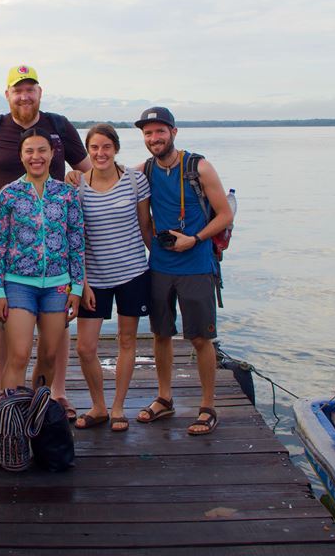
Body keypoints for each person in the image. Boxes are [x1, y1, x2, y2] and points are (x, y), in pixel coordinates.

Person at [0, 65, 90, 421]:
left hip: (55, 276)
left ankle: (47, 402)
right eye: (17, 90)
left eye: (30, 89)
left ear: (40, 92)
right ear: (7, 94)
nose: (24, 96)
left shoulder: (59, 127)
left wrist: (76, 282)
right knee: (13, 340)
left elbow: (87, 170)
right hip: (12, 262)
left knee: (52, 347)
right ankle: (5, 403)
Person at [132, 106, 233, 436]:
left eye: (160, 131)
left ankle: (207, 406)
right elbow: (110, 176)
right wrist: (78, 175)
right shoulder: (145, 170)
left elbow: (224, 215)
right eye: (148, 133)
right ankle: (164, 398)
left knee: (200, 337)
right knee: (161, 334)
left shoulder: (198, 167)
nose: (154, 138)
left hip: (197, 265)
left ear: (173, 132)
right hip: (160, 266)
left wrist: (194, 239)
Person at [0, 127, 85, 394]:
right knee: (18, 355)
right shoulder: (9, 194)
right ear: (21, 156)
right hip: (18, 285)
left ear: (53, 154)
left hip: (57, 286)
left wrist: (76, 288)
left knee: (49, 356)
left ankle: (37, 415)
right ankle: (10, 421)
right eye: (29, 151)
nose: (36, 157)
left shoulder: (66, 194)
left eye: (42, 150)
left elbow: (76, 243)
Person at [72, 124, 153, 433]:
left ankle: (118, 406)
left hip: (133, 273)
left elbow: (146, 227)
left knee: (127, 340)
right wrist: (82, 282)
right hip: (95, 278)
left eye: (106, 147)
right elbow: (76, 238)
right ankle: (99, 406)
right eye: (94, 148)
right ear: (88, 151)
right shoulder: (78, 185)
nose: (100, 153)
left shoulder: (135, 180)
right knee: (85, 347)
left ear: (115, 148)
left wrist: (165, 260)